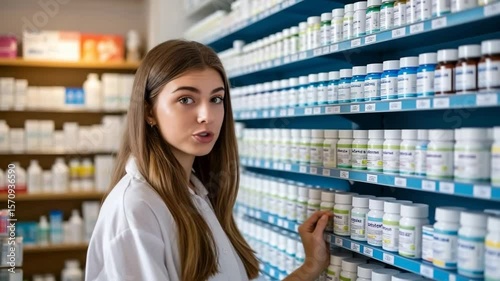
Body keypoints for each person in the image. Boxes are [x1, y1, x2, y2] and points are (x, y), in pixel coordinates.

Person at [85, 40, 331, 281]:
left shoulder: (197, 192)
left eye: (216, 99)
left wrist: (309, 267)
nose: (207, 116)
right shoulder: (136, 209)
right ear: (149, 111)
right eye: (186, 100)